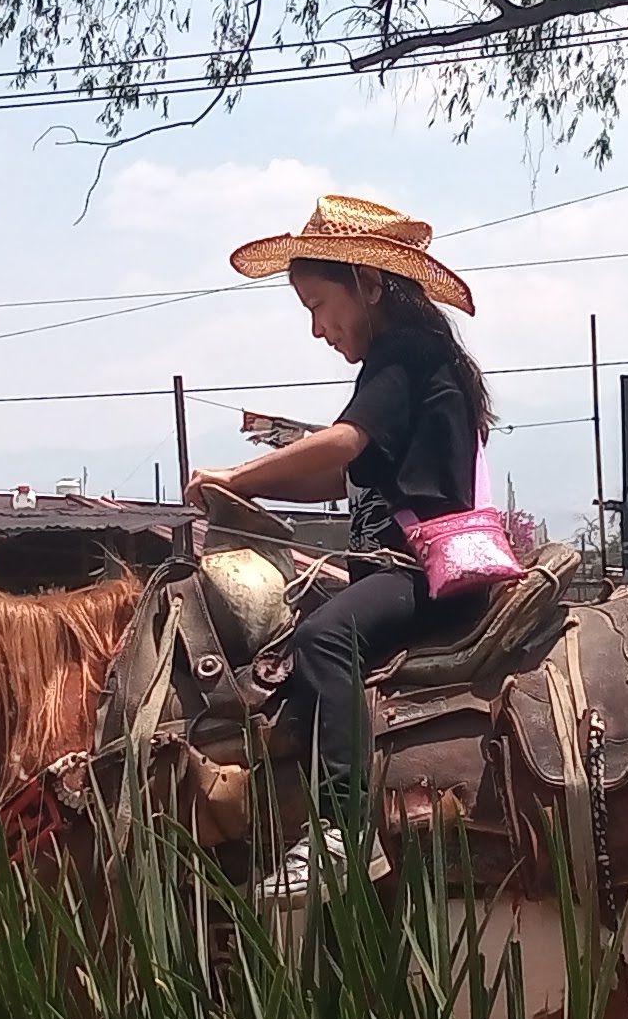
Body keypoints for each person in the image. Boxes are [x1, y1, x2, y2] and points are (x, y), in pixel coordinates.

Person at [200, 193, 490, 889]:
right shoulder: (413, 361)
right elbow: (341, 477)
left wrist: (237, 471)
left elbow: (340, 443)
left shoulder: (406, 353)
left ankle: (343, 830)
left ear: (368, 285)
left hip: (420, 571)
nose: (317, 329)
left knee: (323, 640)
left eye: (318, 305)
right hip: (393, 566)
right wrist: (247, 493)